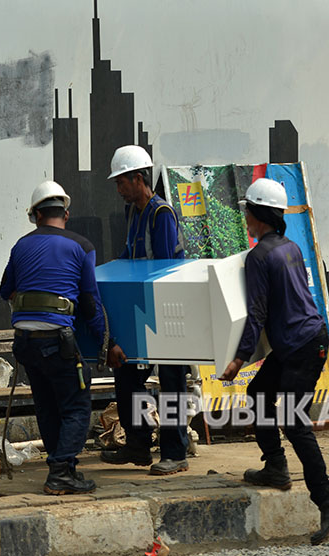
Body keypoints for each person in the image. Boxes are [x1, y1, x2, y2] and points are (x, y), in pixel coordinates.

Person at [220, 178, 329, 546]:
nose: (246, 216)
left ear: (257, 215)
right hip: (305, 340)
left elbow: (256, 313)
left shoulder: (259, 256)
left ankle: (327, 499)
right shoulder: (290, 247)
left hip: (300, 347)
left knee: (294, 422)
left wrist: (238, 358)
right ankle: (276, 466)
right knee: (259, 391)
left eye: (248, 210)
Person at [0, 180, 125, 495]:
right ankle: (60, 473)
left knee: (47, 406)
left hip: (25, 343)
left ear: (37, 216)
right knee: (77, 407)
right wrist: (107, 344)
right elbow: (89, 303)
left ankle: (63, 470)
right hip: (58, 341)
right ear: (65, 215)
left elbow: (7, 291)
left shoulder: (20, 245)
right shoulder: (81, 246)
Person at [100, 145, 191, 476]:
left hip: (166, 309)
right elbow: (130, 254)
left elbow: (166, 269)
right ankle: (138, 445)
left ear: (138, 179)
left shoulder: (160, 214)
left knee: (172, 380)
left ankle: (175, 451)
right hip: (141, 308)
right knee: (127, 376)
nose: (119, 189)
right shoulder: (133, 213)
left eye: (122, 182)